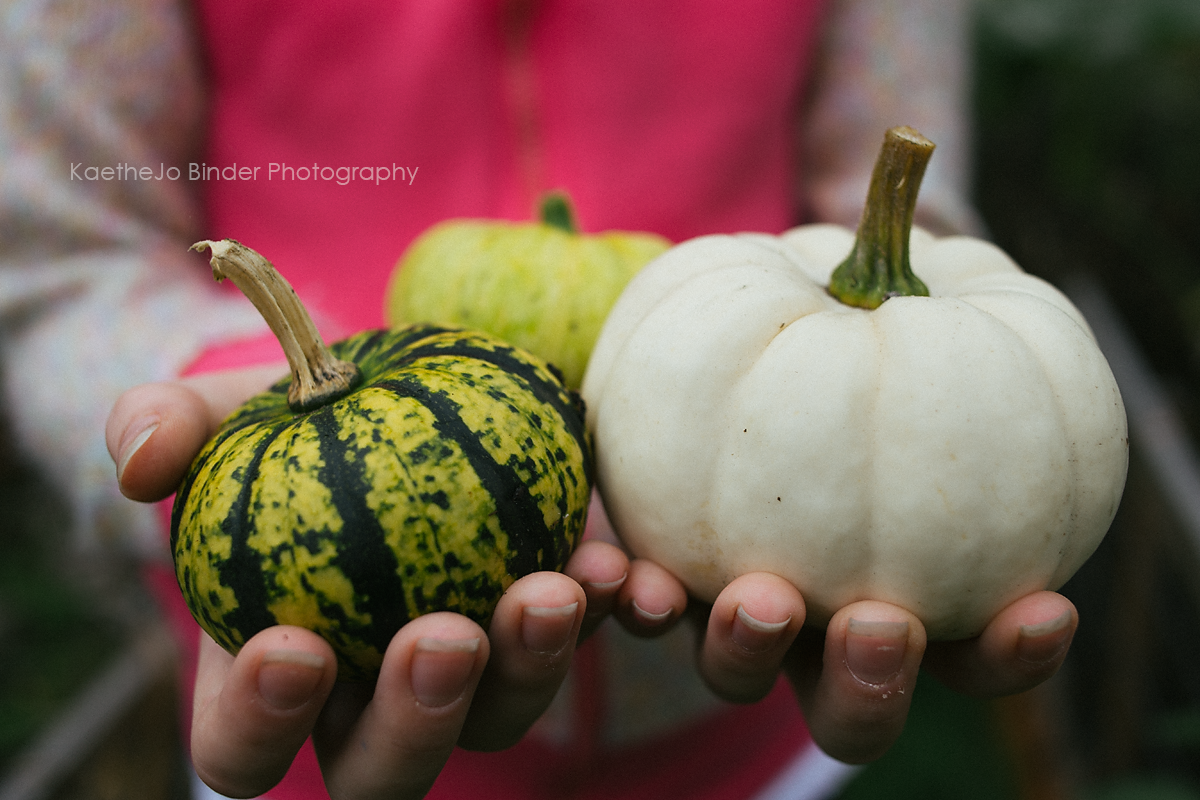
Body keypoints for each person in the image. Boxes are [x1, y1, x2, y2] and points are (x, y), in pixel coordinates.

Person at [2, 1, 1078, 798]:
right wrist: (237, 397)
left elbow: (891, 216)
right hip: (314, 693)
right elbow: (56, 254)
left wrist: (890, 461)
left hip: (746, 657)